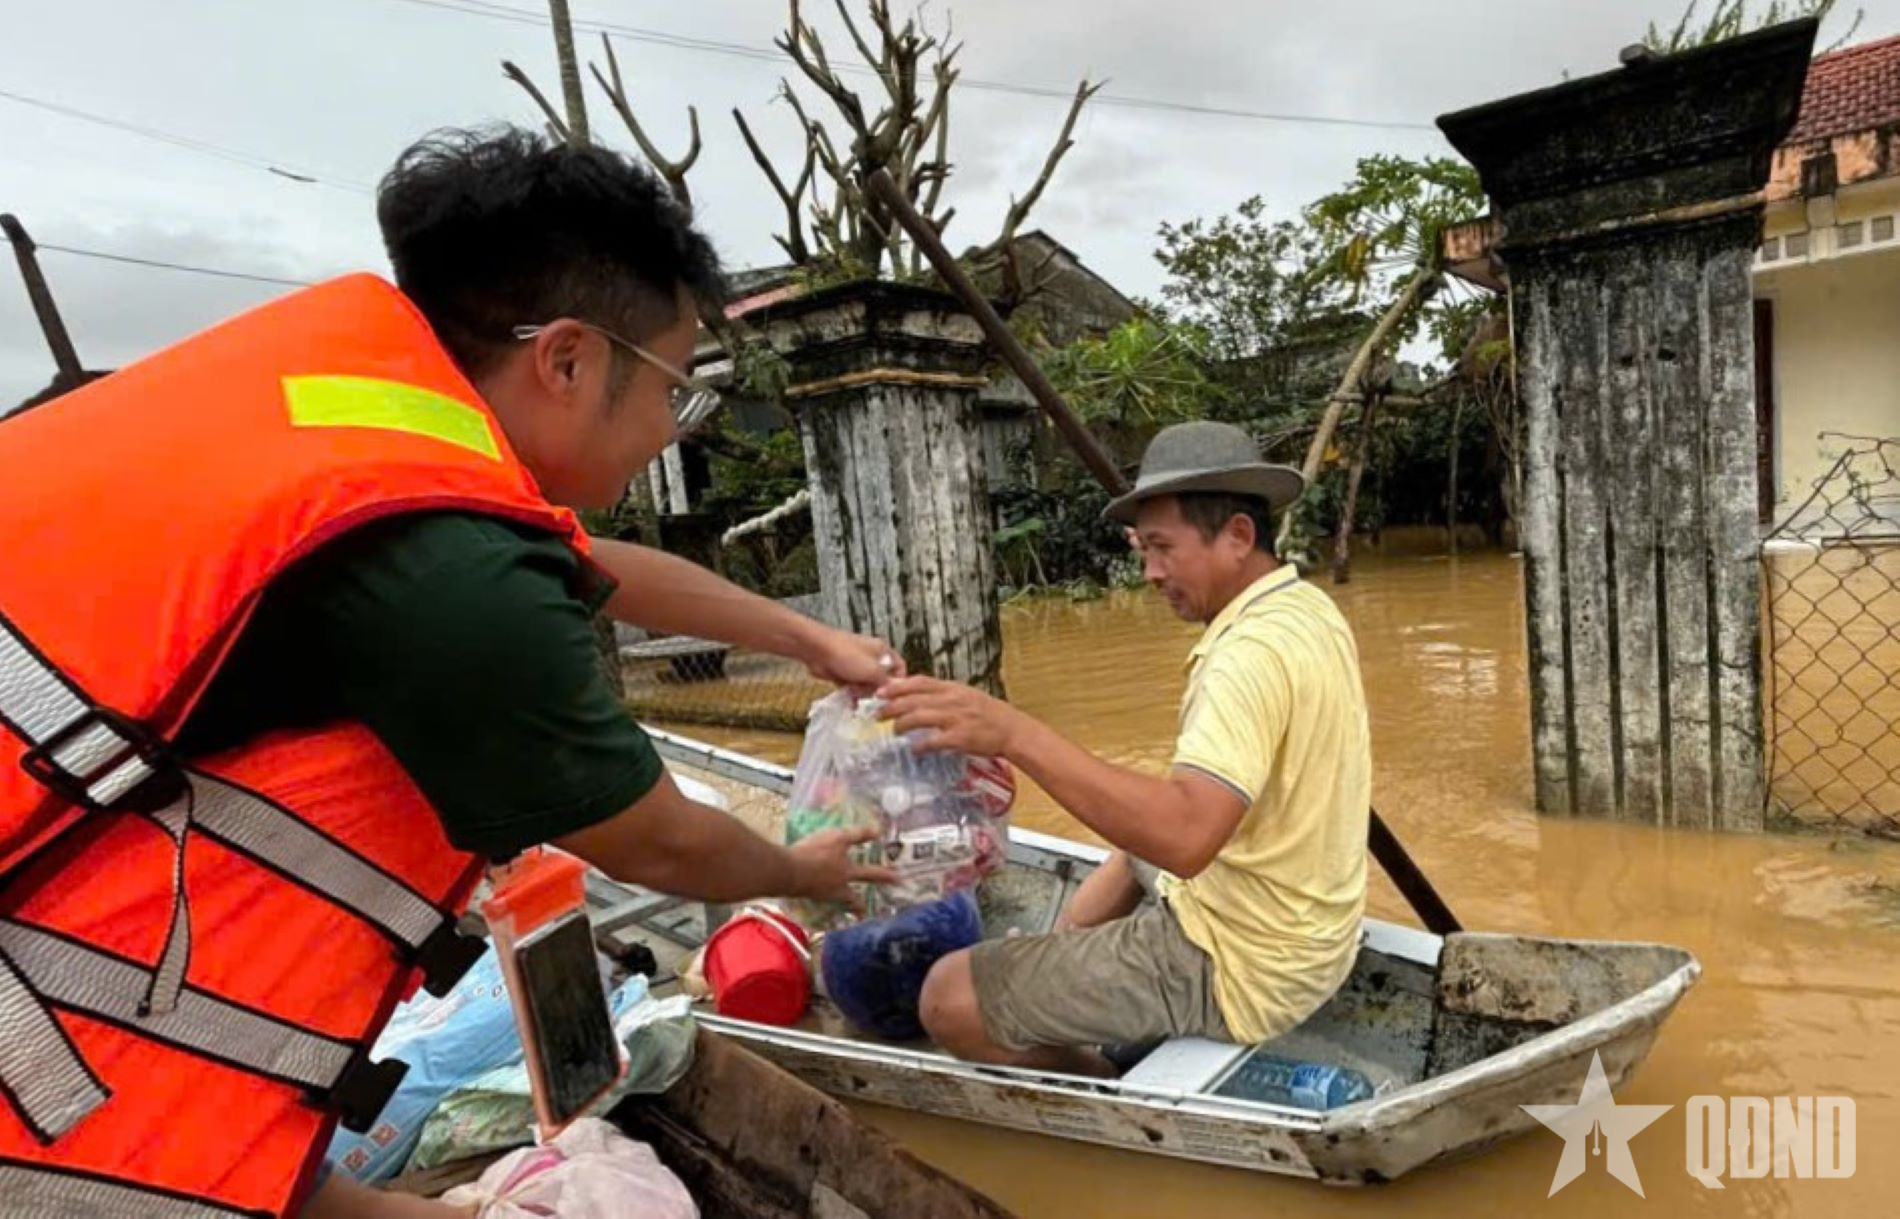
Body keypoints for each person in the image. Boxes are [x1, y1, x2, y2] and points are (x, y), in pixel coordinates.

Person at [0, 127, 895, 1219]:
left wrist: (812, 642)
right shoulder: (450, 569)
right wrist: (799, 872)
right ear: (567, 359)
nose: (672, 428)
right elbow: (652, 835)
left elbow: (583, 566)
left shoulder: (351, 428)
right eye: (674, 386)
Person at [878, 420, 1372, 1076]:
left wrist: (1014, 733)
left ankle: (1105, 1078)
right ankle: (1068, 950)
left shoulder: (1245, 656)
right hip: (1311, 935)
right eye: (1144, 549)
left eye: (1163, 548)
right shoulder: (1306, 608)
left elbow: (1188, 839)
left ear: (1238, 537)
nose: (1149, 571)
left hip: (1242, 965)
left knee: (947, 994)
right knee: (1141, 805)